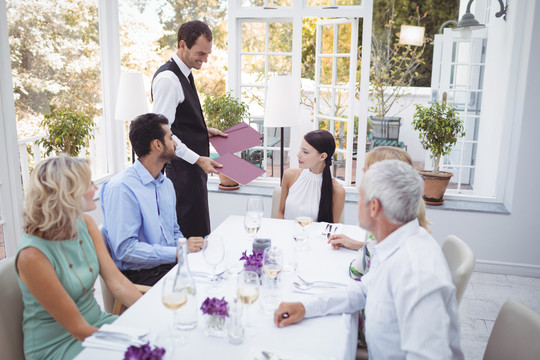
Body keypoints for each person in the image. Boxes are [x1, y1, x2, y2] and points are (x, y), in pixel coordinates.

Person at [274, 160, 464, 359]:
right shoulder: (393, 243)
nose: (357, 203)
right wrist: (307, 306)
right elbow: (363, 290)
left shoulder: (417, 273)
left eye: (360, 197)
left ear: (373, 207)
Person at [16, 156, 142, 360]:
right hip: (58, 345)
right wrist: (131, 343)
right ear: (68, 194)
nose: (96, 188)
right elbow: (77, 328)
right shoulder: (32, 255)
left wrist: (152, 313)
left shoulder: (85, 223)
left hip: (98, 324)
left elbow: (117, 283)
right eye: (90, 184)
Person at [101, 113, 204, 286]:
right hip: (141, 277)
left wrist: (186, 247)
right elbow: (126, 250)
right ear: (157, 145)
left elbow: (173, 231)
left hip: (169, 267)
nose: (175, 144)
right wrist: (177, 252)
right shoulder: (121, 188)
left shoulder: (166, 185)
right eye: (171, 138)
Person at [152, 20, 226, 238]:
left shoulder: (184, 73)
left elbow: (178, 122)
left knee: (199, 230)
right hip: (182, 174)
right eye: (201, 53)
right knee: (191, 234)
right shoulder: (168, 79)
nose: (205, 60)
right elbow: (163, 132)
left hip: (192, 171)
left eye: (207, 54)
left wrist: (204, 130)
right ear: (182, 45)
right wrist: (198, 159)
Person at [329, 146, 431, 252]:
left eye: (367, 171)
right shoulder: (396, 225)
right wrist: (356, 244)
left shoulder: (406, 255)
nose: (363, 174)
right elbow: (382, 248)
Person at [277, 130, 345, 223]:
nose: (298, 155)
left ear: (322, 156)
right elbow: (281, 213)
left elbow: (330, 228)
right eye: (300, 149)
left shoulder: (337, 191)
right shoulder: (290, 175)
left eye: (305, 152)